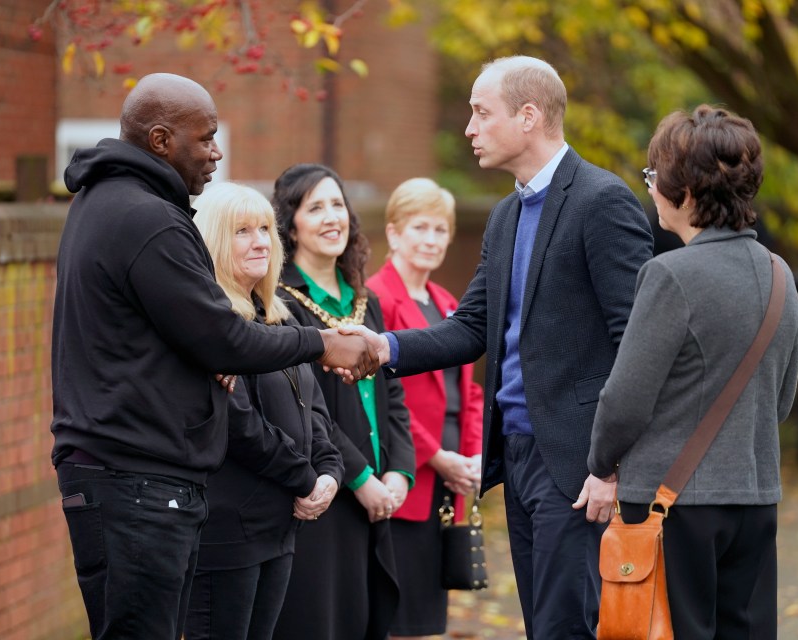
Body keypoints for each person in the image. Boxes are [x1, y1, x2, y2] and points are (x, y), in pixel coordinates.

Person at [50, 73, 377, 639]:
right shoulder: (146, 219)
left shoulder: (104, 205)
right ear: (159, 140)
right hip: (136, 479)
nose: (215, 152)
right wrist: (324, 342)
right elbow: (223, 337)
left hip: (128, 474)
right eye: (204, 138)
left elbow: (196, 338)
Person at [347, 56, 654, 638]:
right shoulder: (506, 214)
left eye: (481, 113)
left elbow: (637, 342)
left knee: (566, 627)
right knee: (543, 625)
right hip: (514, 455)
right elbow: (470, 328)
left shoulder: (601, 201)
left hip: (578, 464)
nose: (469, 128)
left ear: (529, 117)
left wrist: (613, 465)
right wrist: (383, 346)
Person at [587, 105, 798, 639]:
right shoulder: (781, 276)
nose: (650, 190)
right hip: (754, 500)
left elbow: (625, 400)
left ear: (684, 193)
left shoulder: (669, 275)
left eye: (653, 177)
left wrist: (600, 464)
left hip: (670, 506)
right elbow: (781, 401)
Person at [181, 182, 344, 640]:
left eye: (266, 229)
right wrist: (305, 480)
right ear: (213, 239)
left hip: (280, 528)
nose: (260, 241)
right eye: (242, 231)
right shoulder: (213, 323)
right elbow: (240, 425)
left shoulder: (281, 315)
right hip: (228, 533)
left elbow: (315, 410)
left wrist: (329, 471)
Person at [270, 164, 416, 640]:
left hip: (378, 490)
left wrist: (398, 470)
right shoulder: (279, 305)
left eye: (338, 205)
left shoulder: (364, 301)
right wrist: (360, 478)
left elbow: (393, 393)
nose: (332, 217)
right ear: (290, 224)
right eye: (315, 207)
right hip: (325, 490)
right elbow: (306, 409)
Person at [365, 178, 484, 639]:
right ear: (393, 233)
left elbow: (468, 393)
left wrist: (472, 458)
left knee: (430, 619)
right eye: (421, 227)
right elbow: (383, 398)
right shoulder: (375, 299)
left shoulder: (449, 304)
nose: (432, 240)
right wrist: (436, 456)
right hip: (406, 475)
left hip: (450, 483)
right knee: (401, 617)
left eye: (440, 230)